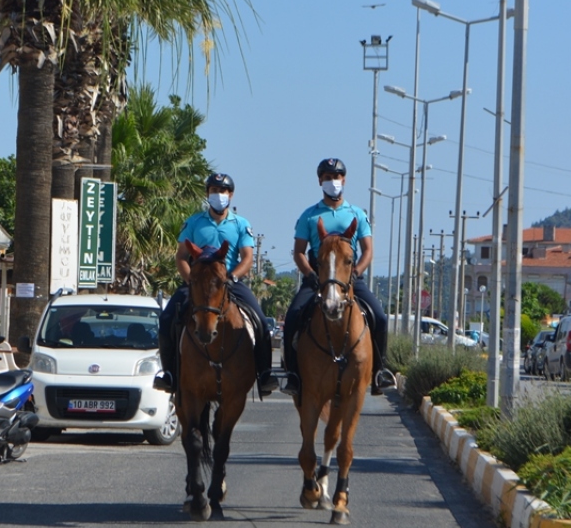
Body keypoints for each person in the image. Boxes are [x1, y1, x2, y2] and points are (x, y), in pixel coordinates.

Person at [154, 172, 279, 397]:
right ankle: (169, 374)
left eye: (222, 191)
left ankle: (264, 374)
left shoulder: (241, 224)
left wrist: (232, 278)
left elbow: (247, 258)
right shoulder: (193, 222)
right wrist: (190, 279)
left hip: (229, 282)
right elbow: (182, 256)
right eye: (214, 191)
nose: (218, 195)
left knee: (260, 321)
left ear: (230, 195)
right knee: (166, 318)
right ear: (207, 194)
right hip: (197, 283)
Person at [281, 158, 395, 397]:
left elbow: (368, 250)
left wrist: (357, 272)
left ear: (344, 180)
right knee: (292, 318)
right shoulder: (309, 216)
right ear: (320, 181)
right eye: (327, 177)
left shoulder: (357, 214)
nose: (333, 181)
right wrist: (310, 275)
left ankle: (380, 372)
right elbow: (299, 251)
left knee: (380, 318)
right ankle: (292, 375)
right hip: (317, 277)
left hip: (349, 277)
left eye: (337, 177)